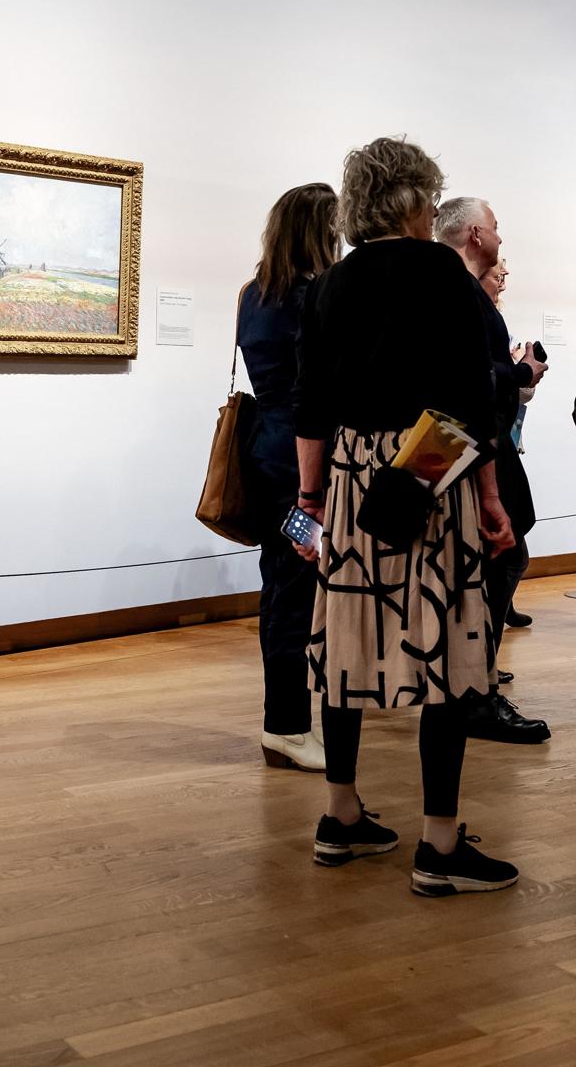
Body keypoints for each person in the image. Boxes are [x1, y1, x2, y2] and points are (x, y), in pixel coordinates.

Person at [293, 135, 520, 896]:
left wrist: (310, 500)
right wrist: (490, 501)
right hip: (430, 469)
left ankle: (340, 814)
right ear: (418, 200)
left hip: (353, 475)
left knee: (347, 639)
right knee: (450, 651)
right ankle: (440, 844)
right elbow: (472, 402)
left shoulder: (333, 283)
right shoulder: (444, 276)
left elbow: (312, 405)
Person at [434, 198, 550, 744]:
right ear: (476, 234)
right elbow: (470, 386)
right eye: (497, 227)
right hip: (470, 453)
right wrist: (519, 373)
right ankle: (473, 691)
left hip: (466, 449)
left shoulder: (458, 295)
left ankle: (471, 682)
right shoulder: (460, 297)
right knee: (495, 564)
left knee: (497, 564)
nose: (501, 238)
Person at [236, 182, 340, 771]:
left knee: (278, 586)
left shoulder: (253, 293)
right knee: (295, 591)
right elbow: (318, 392)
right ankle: (287, 725)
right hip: (304, 457)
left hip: (266, 448)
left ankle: (288, 720)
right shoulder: (312, 297)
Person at [481, 257, 536, 631]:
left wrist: (521, 375)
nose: (504, 280)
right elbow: (481, 383)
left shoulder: (492, 318)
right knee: (510, 554)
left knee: (510, 554)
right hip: (487, 444)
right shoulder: (476, 315)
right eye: (498, 275)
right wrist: (519, 371)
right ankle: (484, 653)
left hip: (501, 440)